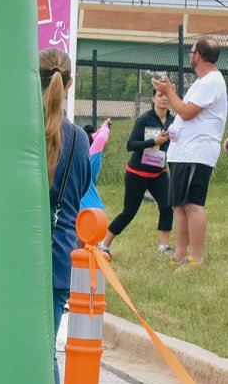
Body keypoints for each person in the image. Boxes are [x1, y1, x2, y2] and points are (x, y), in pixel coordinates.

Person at [156, 36, 224, 268]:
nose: (190, 56)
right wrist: (172, 93)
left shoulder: (211, 81)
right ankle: (180, 255)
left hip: (196, 153)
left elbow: (186, 112)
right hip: (184, 152)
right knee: (179, 205)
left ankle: (196, 258)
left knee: (193, 204)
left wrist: (168, 92)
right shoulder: (202, 82)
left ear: (198, 55)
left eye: (191, 51)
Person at [40, 51, 93, 350]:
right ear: (69, 83)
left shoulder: (23, 133)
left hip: (19, 258)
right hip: (60, 258)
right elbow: (82, 186)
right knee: (46, 355)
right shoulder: (78, 139)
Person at [103, 90, 175, 254]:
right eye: (160, 95)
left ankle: (164, 247)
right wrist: (153, 141)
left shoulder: (173, 120)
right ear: (153, 98)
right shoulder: (144, 119)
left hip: (159, 173)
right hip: (137, 174)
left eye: (166, 95)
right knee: (129, 212)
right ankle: (104, 245)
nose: (164, 99)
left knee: (167, 206)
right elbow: (131, 145)